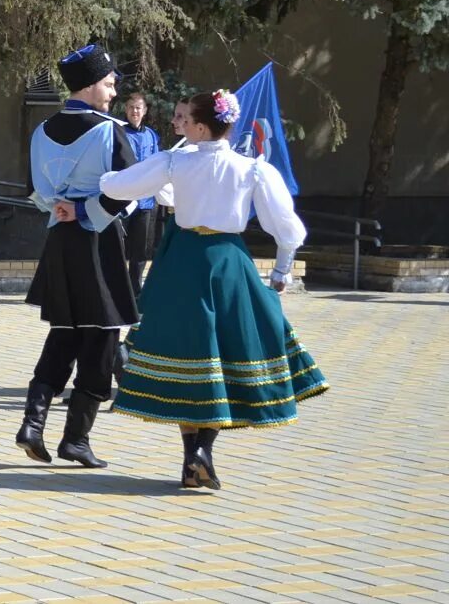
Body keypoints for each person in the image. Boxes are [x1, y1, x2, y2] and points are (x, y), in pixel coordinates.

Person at [100, 89, 329, 488]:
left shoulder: (175, 162)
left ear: (202, 127)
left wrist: (100, 177)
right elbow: (288, 227)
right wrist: (281, 269)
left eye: (187, 121)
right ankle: (201, 453)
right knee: (228, 352)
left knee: (192, 356)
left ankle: (194, 458)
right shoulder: (252, 169)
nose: (182, 125)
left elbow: (120, 188)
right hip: (227, 261)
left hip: (183, 263)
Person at [14, 43, 140, 470]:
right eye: (107, 83)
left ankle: (32, 423)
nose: (113, 90)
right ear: (87, 87)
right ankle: (76, 440)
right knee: (103, 336)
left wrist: (60, 207)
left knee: (65, 332)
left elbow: (35, 191)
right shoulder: (109, 130)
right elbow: (129, 192)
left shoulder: (41, 130)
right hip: (97, 241)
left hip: (59, 242)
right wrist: (85, 209)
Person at [121, 93, 162, 295]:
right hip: (123, 202)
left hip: (145, 203)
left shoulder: (152, 136)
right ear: (125, 109)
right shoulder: (118, 133)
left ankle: (135, 291)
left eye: (138, 108)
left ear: (144, 111)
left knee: (140, 251)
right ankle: (117, 289)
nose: (134, 111)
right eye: (131, 107)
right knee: (118, 249)